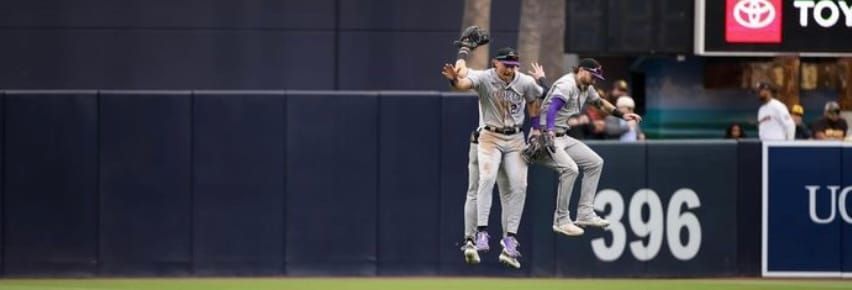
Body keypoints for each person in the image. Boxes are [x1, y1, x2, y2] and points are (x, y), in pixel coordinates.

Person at [442, 34, 543, 268]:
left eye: (513, 65)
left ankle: (510, 240)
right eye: (506, 65)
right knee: (485, 181)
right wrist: (455, 76)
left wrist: (536, 129)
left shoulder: (524, 81)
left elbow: (535, 99)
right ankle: (480, 234)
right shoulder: (485, 77)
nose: (509, 69)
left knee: (519, 186)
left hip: (515, 137)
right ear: (494, 63)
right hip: (488, 136)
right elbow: (462, 81)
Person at [533, 58, 642, 237]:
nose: (595, 80)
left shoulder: (586, 87)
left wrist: (623, 115)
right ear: (582, 70)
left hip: (563, 136)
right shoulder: (567, 85)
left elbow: (599, 103)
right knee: (571, 170)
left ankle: (584, 213)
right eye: (593, 76)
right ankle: (561, 220)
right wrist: (550, 132)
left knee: (595, 162)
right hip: (547, 136)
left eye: (596, 77)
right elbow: (552, 108)